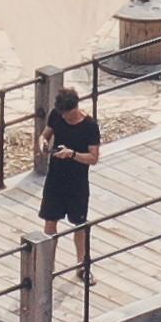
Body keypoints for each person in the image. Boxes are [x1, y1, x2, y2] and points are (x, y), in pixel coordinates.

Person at [38, 81, 104, 234]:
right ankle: (47, 258)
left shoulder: (89, 126)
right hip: (55, 177)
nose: (64, 117)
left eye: (67, 113)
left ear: (75, 107)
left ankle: (81, 258)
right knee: (50, 220)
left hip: (77, 181)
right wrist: (43, 143)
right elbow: (44, 135)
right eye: (62, 113)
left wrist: (72, 154)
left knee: (79, 225)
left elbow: (93, 158)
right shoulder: (56, 115)